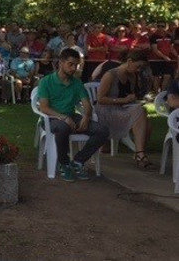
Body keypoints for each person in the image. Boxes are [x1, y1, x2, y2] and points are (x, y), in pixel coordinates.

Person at [38, 48, 109, 181]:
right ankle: (64, 163)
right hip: (52, 118)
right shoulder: (46, 81)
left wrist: (87, 116)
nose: (74, 68)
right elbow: (44, 108)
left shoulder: (76, 83)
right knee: (63, 128)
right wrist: (63, 117)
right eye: (70, 64)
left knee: (102, 131)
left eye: (76, 65)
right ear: (61, 63)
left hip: (72, 116)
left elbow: (87, 105)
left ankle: (77, 161)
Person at [95, 50, 153, 169]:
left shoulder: (132, 76)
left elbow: (129, 96)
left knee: (145, 118)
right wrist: (123, 101)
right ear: (130, 61)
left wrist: (133, 100)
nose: (138, 70)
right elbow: (100, 99)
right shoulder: (110, 75)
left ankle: (139, 153)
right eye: (138, 67)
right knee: (140, 112)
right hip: (107, 110)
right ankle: (140, 154)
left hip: (122, 109)